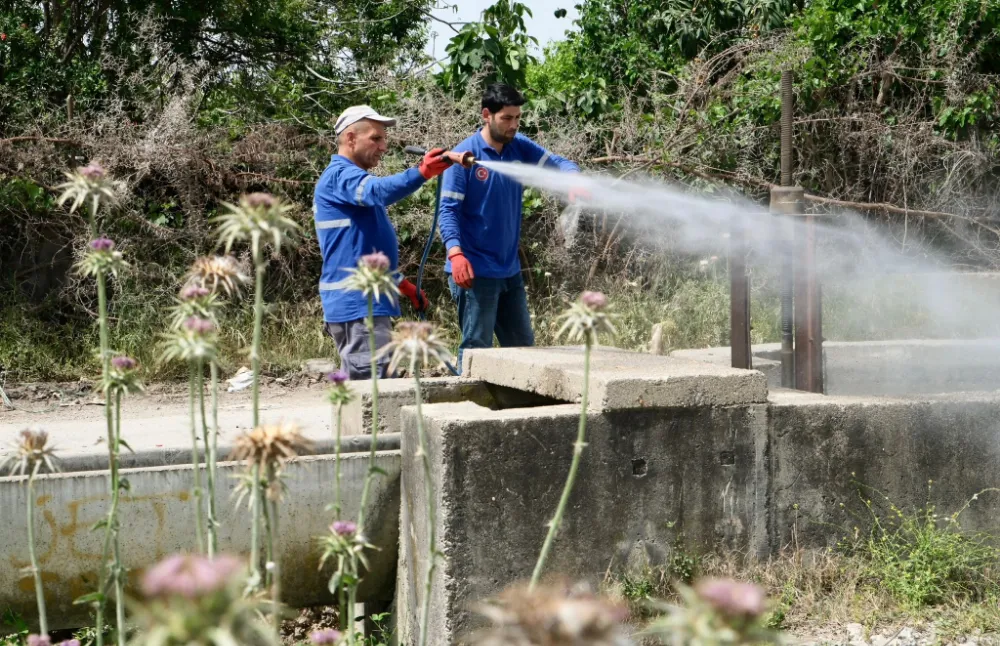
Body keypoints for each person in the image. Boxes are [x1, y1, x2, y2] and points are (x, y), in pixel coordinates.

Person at [438, 83, 587, 369]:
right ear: (486, 115)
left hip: (509, 270)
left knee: (523, 351)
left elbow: (556, 162)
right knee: (475, 351)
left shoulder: (518, 147)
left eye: (518, 118)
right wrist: (455, 254)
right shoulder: (463, 157)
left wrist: (572, 178)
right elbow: (448, 210)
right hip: (475, 271)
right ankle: (467, 408)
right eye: (507, 118)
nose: (514, 125)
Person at [314, 104, 464, 379]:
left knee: (377, 385)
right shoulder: (340, 177)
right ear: (350, 138)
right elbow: (379, 190)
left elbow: (362, 250)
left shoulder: (350, 185)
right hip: (356, 305)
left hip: (365, 303)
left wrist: (403, 285)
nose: (383, 146)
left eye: (384, 138)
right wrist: (422, 173)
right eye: (376, 138)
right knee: (371, 390)